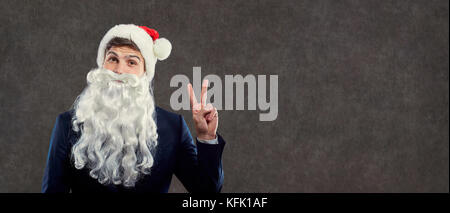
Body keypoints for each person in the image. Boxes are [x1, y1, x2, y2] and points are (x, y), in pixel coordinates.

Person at [41, 24, 225, 192]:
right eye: (112, 59)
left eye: (131, 62)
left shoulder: (172, 127)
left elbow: (207, 192)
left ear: (145, 73)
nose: (119, 70)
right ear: (102, 65)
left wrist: (206, 138)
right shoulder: (68, 124)